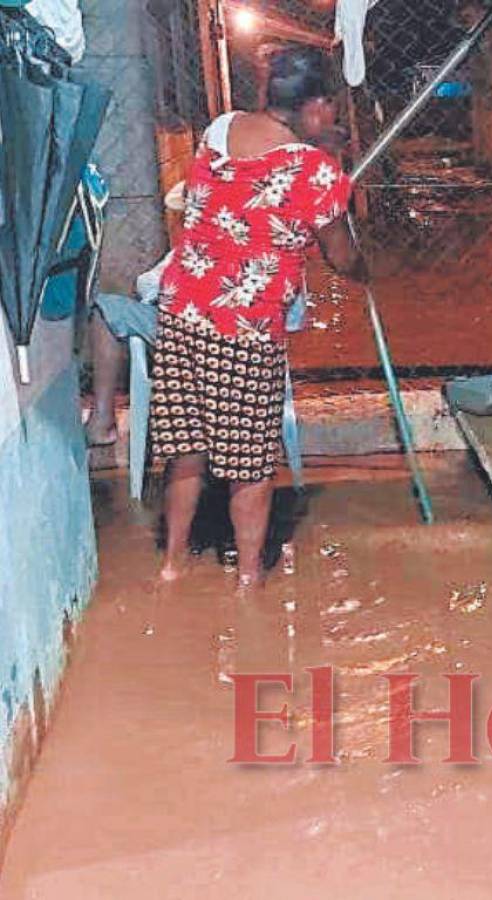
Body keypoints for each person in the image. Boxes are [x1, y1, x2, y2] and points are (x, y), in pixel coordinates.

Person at [150, 44, 367, 586]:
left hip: (181, 307)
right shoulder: (314, 171)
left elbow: (247, 189)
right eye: (332, 107)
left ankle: (173, 566)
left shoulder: (218, 130)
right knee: (250, 462)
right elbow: (342, 257)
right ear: (316, 106)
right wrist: (366, 268)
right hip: (243, 325)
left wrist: (318, 150)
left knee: (187, 446)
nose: (334, 116)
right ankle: (249, 585)